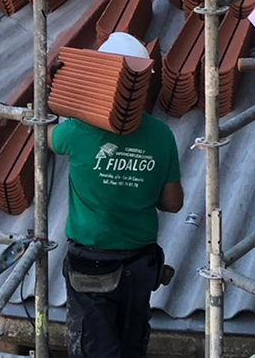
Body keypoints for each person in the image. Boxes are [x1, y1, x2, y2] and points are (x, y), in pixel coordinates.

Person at [47, 33, 183, 358]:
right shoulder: (161, 135)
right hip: (140, 262)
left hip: (91, 262)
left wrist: (68, 96)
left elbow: (46, 136)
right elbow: (172, 204)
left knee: (94, 349)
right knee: (131, 346)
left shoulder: (77, 131)